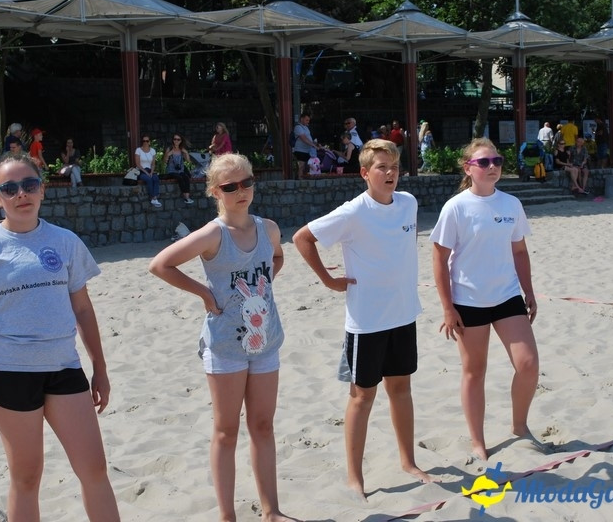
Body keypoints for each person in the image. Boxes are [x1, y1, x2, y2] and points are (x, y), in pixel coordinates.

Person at [0, 156, 120, 522]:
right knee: (26, 477)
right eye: (9, 188)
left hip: (64, 368)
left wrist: (100, 369)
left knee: (94, 470)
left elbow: (84, 311)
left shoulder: (65, 241)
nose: (21, 194)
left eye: (29, 184)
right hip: (8, 373)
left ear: (42, 188)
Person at [148, 153, 295, 522]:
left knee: (263, 426)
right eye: (231, 186)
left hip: (266, 341)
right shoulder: (213, 234)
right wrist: (204, 293)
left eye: (246, 182)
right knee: (226, 430)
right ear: (215, 191)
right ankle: (227, 515)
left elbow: (276, 259)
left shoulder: (270, 228)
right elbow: (160, 264)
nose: (241, 191)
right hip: (225, 344)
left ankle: (271, 510)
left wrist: (263, 286)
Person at [292, 139, 431, 500]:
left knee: (401, 390)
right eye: (381, 167)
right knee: (361, 398)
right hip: (366, 321)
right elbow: (302, 238)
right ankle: (355, 478)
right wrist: (328, 280)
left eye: (395, 167)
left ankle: (408, 461)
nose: (390, 173)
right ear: (365, 172)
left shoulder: (409, 203)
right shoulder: (353, 211)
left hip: (403, 315)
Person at [430, 137, 540, 463]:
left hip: (506, 296)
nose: (492, 167)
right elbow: (438, 258)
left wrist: (529, 291)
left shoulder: (511, 204)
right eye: (484, 162)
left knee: (528, 364)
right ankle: (477, 440)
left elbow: (519, 251)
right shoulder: (456, 207)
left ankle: (519, 427)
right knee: (474, 371)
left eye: (497, 161)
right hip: (468, 300)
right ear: (469, 168)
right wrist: (447, 308)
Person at [161, 133, 194, 205]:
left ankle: (187, 196)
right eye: (174, 139)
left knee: (185, 177)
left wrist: (186, 153)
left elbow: (188, 161)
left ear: (181, 141)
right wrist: (168, 154)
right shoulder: (169, 149)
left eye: (178, 139)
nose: (176, 141)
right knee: (179, 178)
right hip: (171, 171)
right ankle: (185, 196)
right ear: (172, 140)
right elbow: (164, 161)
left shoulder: (182, 150)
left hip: (180, 170)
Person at [133, 135, 162, 208]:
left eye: (147, 141)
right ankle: (152, 197)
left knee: (155, 178)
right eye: (144, 141)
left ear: (149, 142)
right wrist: (146, 173)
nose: (145, 142)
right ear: (142, 142)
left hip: (149, 170)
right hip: (141, 170)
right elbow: (138, 164)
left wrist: (151, 172)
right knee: (149, 179)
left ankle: (155, 198)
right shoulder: (138, 150)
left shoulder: (152, 151)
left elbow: (153, 164)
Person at [292, 113, 320, 180]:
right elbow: (303, 138)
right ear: (302, 119)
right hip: (300, 150)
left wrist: (316, 144)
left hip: (307, 150)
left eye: (308, 120)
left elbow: (309, 138)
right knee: (301, 166)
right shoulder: (298, 127)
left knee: (307, 166)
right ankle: (299, 180)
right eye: (306, 120)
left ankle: (303, 179)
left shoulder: (306, 127)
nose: (308, 122)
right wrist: (313, 145)